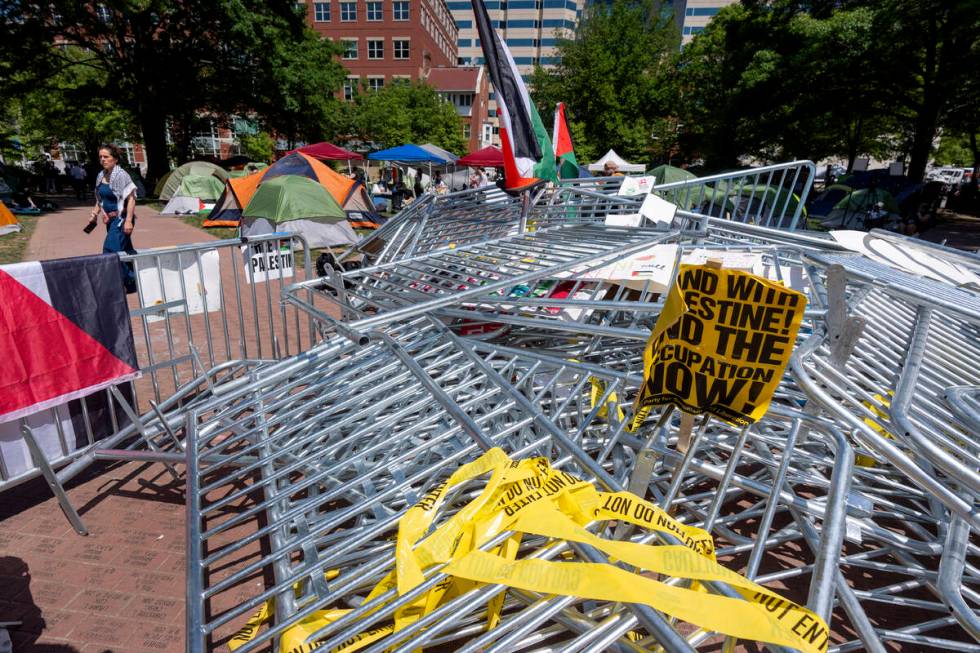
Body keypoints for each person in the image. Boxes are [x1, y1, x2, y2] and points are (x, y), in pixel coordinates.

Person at [85, 144, 138, 293]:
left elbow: (132, 199)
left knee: (110, 250)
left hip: (122, 219)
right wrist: (94, 214)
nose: (102, 159)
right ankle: (132, 283)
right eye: (101, 157)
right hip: (110, 220)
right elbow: (100, 199)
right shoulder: (101, 175)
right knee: (125, 250)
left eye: (106, 157)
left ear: (115, 159)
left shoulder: (121, 175)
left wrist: (128, 220)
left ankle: (117, 282)